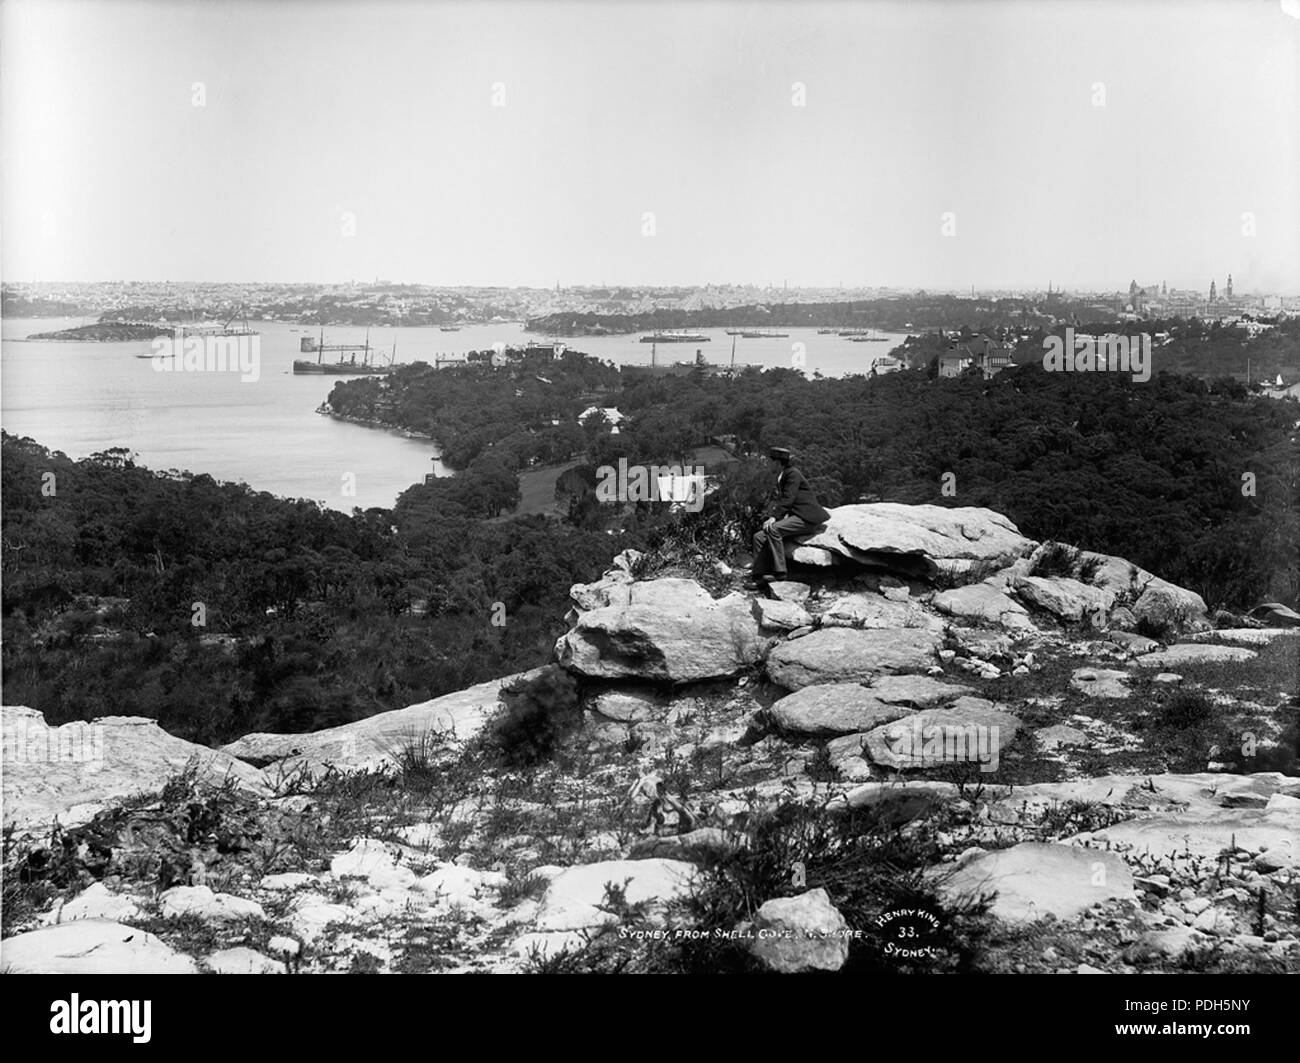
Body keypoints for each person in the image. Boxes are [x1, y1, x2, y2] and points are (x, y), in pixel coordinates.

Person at [749, 447, 830, 582]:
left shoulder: (792, 474)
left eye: (770, 461)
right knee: (759, 537)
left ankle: (780, 572)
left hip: (807, 518)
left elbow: (788, 499)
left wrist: (774, 517)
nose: (768, 464)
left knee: (774, 529)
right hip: (797, 516)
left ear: (777, 462)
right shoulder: (784, 474)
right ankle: (759, 575)